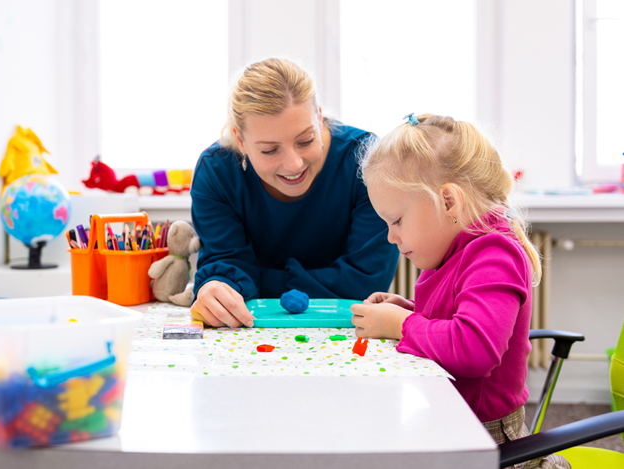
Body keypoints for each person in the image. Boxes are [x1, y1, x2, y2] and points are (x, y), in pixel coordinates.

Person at [352, 113, 570, 469]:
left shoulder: (494, 253)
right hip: (451, 423)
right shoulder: (456, 249)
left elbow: (475, 348)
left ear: (449, 202)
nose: (391, 237)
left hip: (490, 444)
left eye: (396, 220)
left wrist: (402, 325)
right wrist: (405, 308)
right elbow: (455, 315)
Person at [189, 58, 399, 328]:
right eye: (269, 150)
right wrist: (216, 289)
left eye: (306, 140)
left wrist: (256, 281)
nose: (294, 164)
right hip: (252, 333)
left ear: (319, 117)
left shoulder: (367, 161)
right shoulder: (216, 172)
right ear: (240, 140)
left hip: (349, 330)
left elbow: (366, 282)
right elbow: (225, 268)